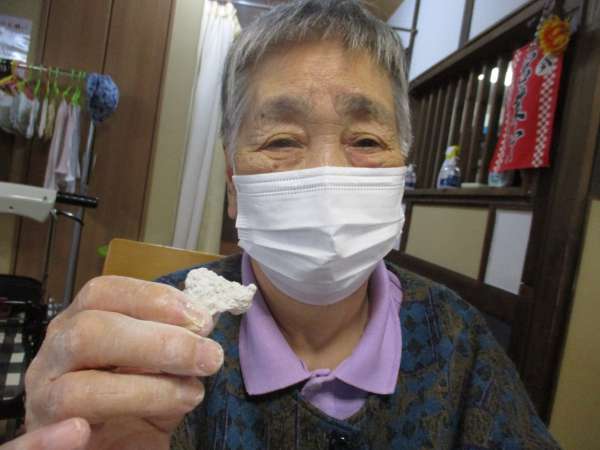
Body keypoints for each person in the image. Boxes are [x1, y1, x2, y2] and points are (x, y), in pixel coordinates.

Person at [14, 0, 561, 449]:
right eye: (281, 141)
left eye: (366, 140)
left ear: (402, 173)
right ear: (233, 184)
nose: (326, 174)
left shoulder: (457, 339)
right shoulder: (155, 340)